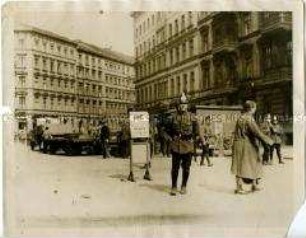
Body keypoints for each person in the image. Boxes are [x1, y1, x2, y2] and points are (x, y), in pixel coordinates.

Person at [231, 100, 274, 194]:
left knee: (239, 165)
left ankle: (248, 185)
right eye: (255, 108)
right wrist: (268, 141)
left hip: (239, 144)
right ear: (251, 108)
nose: (255, 110)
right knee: (255, 162)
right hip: (247, 144)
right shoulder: (249, 119)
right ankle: (244, 187)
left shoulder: (240, 118)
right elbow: (256, 132)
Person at [168, 92, 203, 196]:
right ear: (178, 106)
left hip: (188, 146)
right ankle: (174, 186)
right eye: (181, 105)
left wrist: (194, 142)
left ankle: (184, 186)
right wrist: (170, 138)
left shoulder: (193, 117)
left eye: (184, 105)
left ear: (187, 105)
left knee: (186, 168)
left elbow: (197, 132)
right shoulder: (173, 117)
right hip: (176, 146)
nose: (182, 107)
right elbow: (164, 130)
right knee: (175, 168)